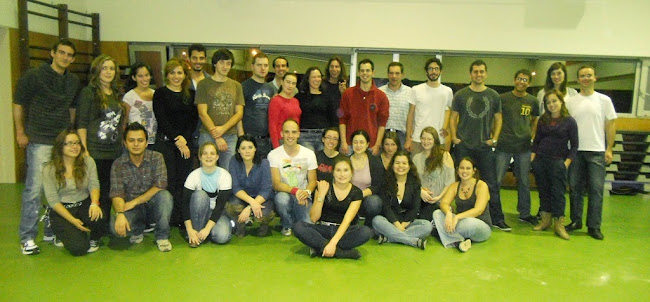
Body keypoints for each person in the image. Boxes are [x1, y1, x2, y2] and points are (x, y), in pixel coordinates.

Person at [14, 39, 80, 255]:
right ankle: (27, 237)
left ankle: (54, 231)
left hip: (61, 141)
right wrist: (20, 132)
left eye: (69, 55)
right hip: (39, 139)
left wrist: (70, 134)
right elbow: (18, 104)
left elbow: (72, 109)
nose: (65, 57)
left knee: (59, 188)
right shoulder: (34, 76)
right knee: (34, 189)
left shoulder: (72, 81)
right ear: (53, 53)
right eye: (61, 52)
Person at [449, 60, 507, 231]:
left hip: (484, 147)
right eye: (475, 72)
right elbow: (452, 118)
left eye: (481, 72)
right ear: (470, 74)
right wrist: (454, 137)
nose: (478, 74)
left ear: (486, 74)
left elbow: (498, 118)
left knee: (491, 184)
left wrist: (494, 139)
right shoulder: (460, 95)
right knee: (461, 183)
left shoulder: (494, 96)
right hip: (464, 146)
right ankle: (461, 215)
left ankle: (497, 219)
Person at [565, 66, 617, 240]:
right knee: (574, 188)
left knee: (595, 190)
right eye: (582, 76)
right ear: (578, 79)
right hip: (575, 152)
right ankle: (576, 221)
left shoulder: (604, 100)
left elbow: (610, 125)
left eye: (589, 75)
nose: (585, 78)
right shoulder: (571, 101)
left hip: (596, 151)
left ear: (595, 78)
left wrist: (609, 148)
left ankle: (594, 226)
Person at [77, 54, 126, 239]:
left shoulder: (114, 93)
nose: (108, 72)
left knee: (108, 191)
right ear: (97, 70)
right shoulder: (89, 93)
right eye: (104, 68)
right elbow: (81, 123)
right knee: (93, 192)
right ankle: (92, 231)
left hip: (113, 152)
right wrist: (84, 149)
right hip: (95, 151)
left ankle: (103, 227)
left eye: (111, 68)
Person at [293, 157, 373, 259]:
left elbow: (347, 221)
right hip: (323, 229)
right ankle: (340, 253)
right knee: (298, 226)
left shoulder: (356, 193)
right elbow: (314, 218)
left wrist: (333, 243)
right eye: (338, 170)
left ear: (351, 172)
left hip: (344, 231)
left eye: (345, 170)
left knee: (366, 232)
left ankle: (320, 247)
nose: (342, 174)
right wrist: (321, 195)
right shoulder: (324, 186)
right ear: (333, 172)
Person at [110, 122, 173, 252]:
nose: (136, 144)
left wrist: (134, 202)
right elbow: (117, 193)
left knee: (165, 196)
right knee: (113, 227)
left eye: (140, 140)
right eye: (131, 140)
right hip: (132, 209)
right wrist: (120, 214)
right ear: (125, 143)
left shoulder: (157, 158)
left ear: (146, 142)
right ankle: (137, 230)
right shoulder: (118, 164)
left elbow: (160, 185)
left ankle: (162, 236)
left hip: (151, 205)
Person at [153, 58, 198, 227]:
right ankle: (168, 218)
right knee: (169, 182)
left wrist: (184, 139)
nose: (176, 76)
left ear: (184, 75)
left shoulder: (191, 94)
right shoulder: (160, 94)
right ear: (167, 75)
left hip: (186, 144)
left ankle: (182, 218)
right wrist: (177, 139)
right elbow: (162, 120)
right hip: (167, 144)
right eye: (172, 73)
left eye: (179, 72)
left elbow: (193, 121)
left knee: (184, 182)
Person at [42, 129, 102, 256]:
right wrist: (73, 221)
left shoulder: (88, 162)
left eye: (77, 143)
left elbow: (94, 184)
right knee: (79, 249)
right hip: (63, 209)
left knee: (101, 219)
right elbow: (53, 200)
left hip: (83, 203)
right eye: (69, 143)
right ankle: (60, 232)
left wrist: (94, 204)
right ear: (60, 147)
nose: (74, 146)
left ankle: (86, 233)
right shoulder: (49, 169)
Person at [494, 69, 540, 226]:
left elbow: (534, 120)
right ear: (514, 80)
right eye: (519, 79)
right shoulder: (503, 99)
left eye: (525, 80)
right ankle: (493, 212)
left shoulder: (533, 101)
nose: (521, 82)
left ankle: (525, 213)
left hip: (524, 147)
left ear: (529, 83)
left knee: (524, 181)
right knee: (497, 180)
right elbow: (496, 119)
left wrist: (531, 136)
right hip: (503, 145)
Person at [531, 89, 578, 240]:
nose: (551, 105)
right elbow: (537, 141)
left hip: (558, 162)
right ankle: (545, 221)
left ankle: (559, 225)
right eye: (548, 102)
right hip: (540, 161)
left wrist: (566, 163)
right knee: (544, 191)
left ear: (561, 102)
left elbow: (575, 145)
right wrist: (533, 159)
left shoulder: (569, 121)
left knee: (558, 194)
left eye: (554, 101)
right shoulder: (543, 120)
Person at [196, 48, 244, 170]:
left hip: (230, 136)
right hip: (208, 134)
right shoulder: (203, 84)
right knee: (206, 170)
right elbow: (202, 113)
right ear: (214, 63)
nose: (225, 66)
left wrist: (223, 129)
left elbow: (239, 114)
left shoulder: (236, 85)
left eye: (228, 63)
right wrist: (217, 136)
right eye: (222, 62)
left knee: (228, 173)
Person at [373, 150, 431, 249]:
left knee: (427, 226)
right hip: (389, 222)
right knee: (376, 221)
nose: (401, 166)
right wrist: (397, 225)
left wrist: (403, 225)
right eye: (397, 163)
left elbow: (415, 208)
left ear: (409, 166)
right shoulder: (385, 181)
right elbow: (386, 208)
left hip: (407, 222)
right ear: (392, 165)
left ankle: (390, 238)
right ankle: (412, 241)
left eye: (404, 163)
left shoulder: (415, 183)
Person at [269, 119, 318, 236]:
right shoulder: (273, 155)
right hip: (285, 193)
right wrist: (295, 191)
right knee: (281, 199)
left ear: (298, 134)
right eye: (287, 132)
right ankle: (287, 224)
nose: (290, 136)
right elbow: (276, 184)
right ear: (281, 134)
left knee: (307, 227)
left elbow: (312, 181)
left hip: (303, 196)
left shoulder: (309, 154)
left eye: (293, 132)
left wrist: (306, 192)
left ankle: (297, 219)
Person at [432, 157, 492, 252]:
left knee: (468, 223)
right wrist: (448, 213)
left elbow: (478, 210)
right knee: (437, 214)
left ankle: (442, 233)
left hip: (479, 226)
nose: (464, 171)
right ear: (457, 170)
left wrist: (457, 217)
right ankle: (458, 242)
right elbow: (444, 203)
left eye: (468, 168)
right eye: (462, 168)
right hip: (459, 223)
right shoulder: (455, 186)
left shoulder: (481, 185)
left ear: (474, 171)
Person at [182, 142, 233, 247]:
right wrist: (190, 230)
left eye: (212, 153)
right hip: (198, 212)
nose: (208, 156)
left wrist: (207, 229)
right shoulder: (193, 176)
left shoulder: (225, 176)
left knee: (222, 236)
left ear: (217, 156)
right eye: (205, 153)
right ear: (200, 157)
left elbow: (220, 206)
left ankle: (205, 232)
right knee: (200, 195)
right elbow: (185, 204)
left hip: (217, 213)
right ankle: (195, 234)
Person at [226, 134, 275, 237]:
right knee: (232, 206)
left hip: (262, 199)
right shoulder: (234, 161)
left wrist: (249, 207)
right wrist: (251, 203)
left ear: (255, 149)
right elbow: (235, 187)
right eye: (243, 148)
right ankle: (240, 225)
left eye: (250, 147)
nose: (247, 151)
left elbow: (266, 189)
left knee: (265, 214)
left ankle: (263, 225)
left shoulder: (264, 163)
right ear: (238, 150)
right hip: (242, 198)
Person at [339, 59, 389, 156]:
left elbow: (382, 123)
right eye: (362, 70)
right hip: (350, 145)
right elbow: (342, 119)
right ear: (358, 72)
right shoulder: (347, 94)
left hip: (371, 146)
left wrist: (377, 144)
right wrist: (344, 142)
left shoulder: (381, 96)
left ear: (373, 73)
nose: (364, 73)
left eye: (367, 70)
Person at [406, 57, 453, 154]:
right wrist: (408, 139)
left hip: (438, 140)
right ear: (426, 71)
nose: (433, 71)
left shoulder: (447, 91)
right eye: (430, 69)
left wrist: (447, 132)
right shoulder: (416, 89)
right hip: (418, 139)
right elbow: (410, 115)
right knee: (416, 168)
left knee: (437, 168)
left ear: (440, 71)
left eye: (436, 69)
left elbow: (450, 112)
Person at [413, 127, 455, 221]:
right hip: (422, 199)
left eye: (429, 139)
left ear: (435, 140)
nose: (426, 141)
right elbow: (413, 181)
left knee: (425, 217)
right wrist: (421, 191)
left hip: (440, 200)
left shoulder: (445, 155)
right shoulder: (416, 158)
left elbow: (450, 182)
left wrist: (439, 197)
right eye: (423, 138)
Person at [238, 52, 275, 159]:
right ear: (252, 67)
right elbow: (238, 114)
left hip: (266, 139)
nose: (262, 68)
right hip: (249, 138)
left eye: (265, 65)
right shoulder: (244, 87)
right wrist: (241, 137)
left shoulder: (270, 88)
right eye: (259, 65)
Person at [296, 66, 338, 152]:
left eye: (319, 76)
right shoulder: (299, 97)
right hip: (305, 137)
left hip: (323, 137)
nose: (317, 79)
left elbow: (333, 118)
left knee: (323, 163)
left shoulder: (327, 97)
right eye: (314, 77)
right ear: (308, 79)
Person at [348, 130, 384, 227]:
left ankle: (369, 225)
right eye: (355, 142)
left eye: (361, 142)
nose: (358, 145)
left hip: (366, 198)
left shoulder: (375, 161)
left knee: (374, 202)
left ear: (367, 144)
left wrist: (360, 194)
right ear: (351, 144)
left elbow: (378, 186)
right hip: (349, 198)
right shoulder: (346, 161)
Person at [379, 62, 412, 147]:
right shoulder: (379, 92)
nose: (394, 76)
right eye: (391, 73)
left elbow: (412, 117)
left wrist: (409, 139)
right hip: (383, 134)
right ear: (387, 74)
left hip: (402, 136)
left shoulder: (410, 92)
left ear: (402, 75)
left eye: (397, 73)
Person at [123, 62, 157, 146]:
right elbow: (124, 122)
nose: (144, 79)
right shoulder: (129, 97)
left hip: (154, 141)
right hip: (136, 142)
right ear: (134, 78)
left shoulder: (157, 94)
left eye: (147, 75)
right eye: (140, 76)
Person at [268, 73, 301, 148]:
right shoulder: (275, 100)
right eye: (288, 82)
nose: (290, 86)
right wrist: (276, 146)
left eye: (293, 83)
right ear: (282, 82)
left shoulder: (295, 101)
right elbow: (272, 125)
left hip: (294, 139)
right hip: (281, 140)